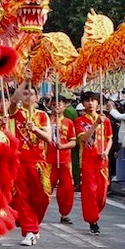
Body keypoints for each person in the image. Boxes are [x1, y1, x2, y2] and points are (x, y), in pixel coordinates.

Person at [8, 73, 52, 246]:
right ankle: (29, 231)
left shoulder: (42, 116)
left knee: (43, 198)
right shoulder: (16, 112)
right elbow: (12, 101)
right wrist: (25, 81)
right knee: (23, 197)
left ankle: (33, 224)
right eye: (25, 94)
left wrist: (35, 130)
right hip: (20, 161)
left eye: (31, 94)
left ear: (37, 97)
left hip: (39, 163)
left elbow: (48, 137)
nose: (27, 97)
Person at [75, 91, 113, 235]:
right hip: (88, 163)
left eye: (93, 100)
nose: (90, 103)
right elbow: (84, 138)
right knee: (90, 193)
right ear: (83, 103)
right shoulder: (80, 121)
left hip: (102, 162)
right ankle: (93, 220)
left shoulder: (106, 120)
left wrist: (106, 152)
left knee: (101, 196)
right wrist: (95, 125)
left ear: (98, 103)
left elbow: (110, 139)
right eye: (87, 100)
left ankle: (96, 213)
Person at [47, 93, 76, 224]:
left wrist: (63, 146)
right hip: (48, 160)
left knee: (67, 189)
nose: (57, 106)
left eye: (59, 104)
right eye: (54, 104)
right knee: (45, 188)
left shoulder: (68, 122)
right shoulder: (45, 119)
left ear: (64, 106)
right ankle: (37, 212)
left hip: (65, 160)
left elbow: (73, 142)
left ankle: (64, 214)